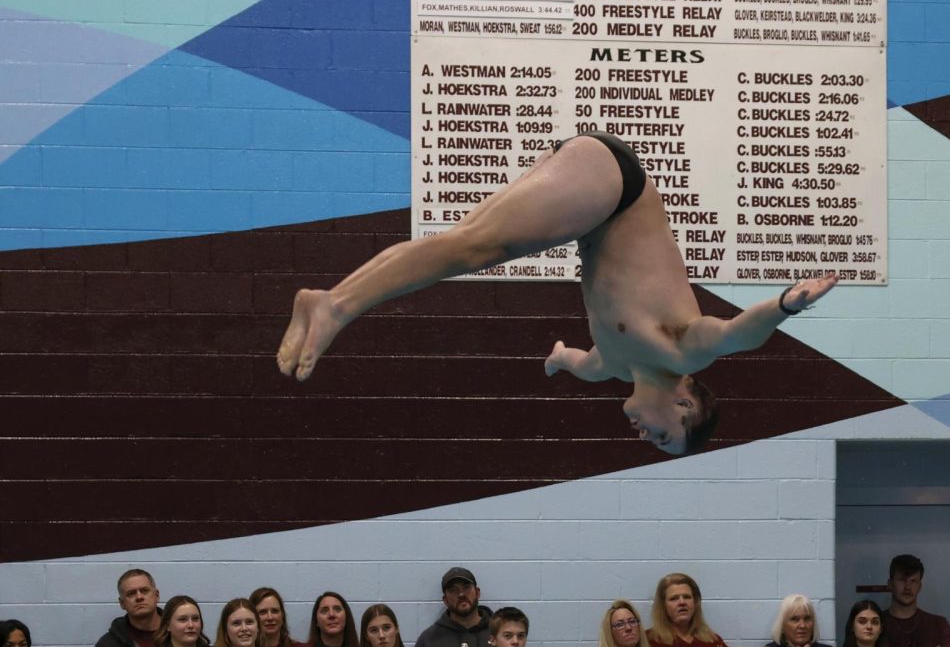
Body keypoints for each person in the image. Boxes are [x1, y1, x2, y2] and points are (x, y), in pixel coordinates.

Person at [277, 130, 839, 456]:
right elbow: (741, 334)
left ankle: (326, 301)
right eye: (664, 436)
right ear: (685, 403)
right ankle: (336, 305)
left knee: (463, 246)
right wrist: (787, 303)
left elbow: (572, 360)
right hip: (614, 188)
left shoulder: (611, 368)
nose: (645, 436)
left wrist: (556, 363)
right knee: (473, 248)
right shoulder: (683, 352)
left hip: (590, 208)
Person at [883, 555, 950, 647]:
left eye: (913, 581)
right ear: (890, 584)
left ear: (920, 586)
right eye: (902, 580)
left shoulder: (938, 625)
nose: (907, 587)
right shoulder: (875, 624)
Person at [414, 568, 492, 647]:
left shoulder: (498, 632)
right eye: (453, 590)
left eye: (466, 587)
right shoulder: (428, 639)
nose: (461, 594)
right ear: (445, 600)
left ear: (477, 592)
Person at [647, 573, 727, 647]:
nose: (682, 602)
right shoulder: (648, 641)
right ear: (663, 605)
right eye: (674, 598)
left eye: (687, 597)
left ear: (695, 602)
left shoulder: (713, 641)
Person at [97, 569, 164, 647]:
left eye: (144, 591)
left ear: (157, 595)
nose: (139, 597)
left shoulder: (178, 633)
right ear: (122, 603)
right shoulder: (107, 644)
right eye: (131, 594)